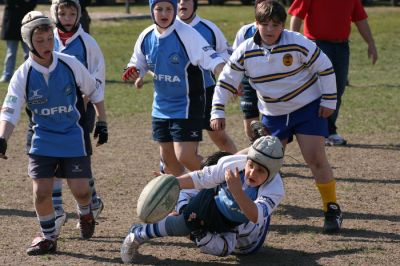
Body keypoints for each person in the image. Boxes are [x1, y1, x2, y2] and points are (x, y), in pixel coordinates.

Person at [210, 0, 343, 233]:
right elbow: (226, 81)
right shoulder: (246, 50)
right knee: (261, 160)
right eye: (264, 24)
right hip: (273, 114)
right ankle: (218, 173)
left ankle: (331, 209)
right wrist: (217, 110)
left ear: (282, 25)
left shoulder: (298, 42)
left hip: (307, 108)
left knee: (315, 158)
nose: (270, 29)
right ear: (256, 24)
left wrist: (329, 100)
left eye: (275, 24)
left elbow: (325, 66)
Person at [0, 11, 108, 255]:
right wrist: (2, 138)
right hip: (42, 139)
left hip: (72, 136)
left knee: (81, 191)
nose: (47, 45)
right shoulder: (23, 74)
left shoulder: (69, 64)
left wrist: (102, 121)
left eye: (50, 39)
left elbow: (94, 90)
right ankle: (48, 237)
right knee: (41, 192)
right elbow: (10, 109)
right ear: (28, 43)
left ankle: (86, 213)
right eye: (40, 41)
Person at [120, 135, 285, 263]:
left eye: (260, 171)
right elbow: (202, 177)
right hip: (214, 204)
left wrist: (237, 192)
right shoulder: (232, 164)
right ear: (246, 161)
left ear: (271, 174)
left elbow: (255, 215)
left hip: (239, 228)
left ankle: (194, 230)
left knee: (225, 248)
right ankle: (138, 234)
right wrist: (172, 183)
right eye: (251, 165)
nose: (252, 173)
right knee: (183, 222)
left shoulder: (274, 189)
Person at [122, 0, 225, 176]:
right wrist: (133, 71)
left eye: (169, 9)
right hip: (161, 106)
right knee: (168, 159)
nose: (164, 13)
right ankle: (184, 194)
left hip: (188, 103)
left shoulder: (187, 34)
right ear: (151, 11)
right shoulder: (146, 36)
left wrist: (229, 82)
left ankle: (225, 178)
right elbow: (138, 62)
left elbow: (214, 61)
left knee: (185, 155)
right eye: (159, 9)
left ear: (175, 10)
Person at [49, 0, 106, 235]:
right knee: (50, 159)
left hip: (81, 112)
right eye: (62, 13)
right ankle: (57, 209)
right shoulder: (45, 38)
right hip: (51, 113)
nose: (67, 18)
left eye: (72, 13)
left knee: (78, 161)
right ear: (55, 14)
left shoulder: (87, 43)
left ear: (79, 15)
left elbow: (98, 78)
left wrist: (86, 101)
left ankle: (91, 202)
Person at [288, 0, 378, 146]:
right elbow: (297, 16)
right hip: (317, 45)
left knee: (338, 89)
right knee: (318, 90)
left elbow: (360, 19)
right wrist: (292, 45)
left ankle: (328, 130)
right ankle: (320, 131)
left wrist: (371, 43)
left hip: (342, 46)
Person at [177, 0, 237, 154]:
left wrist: (230, 82)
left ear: (195, 4)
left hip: (206, 91)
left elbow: (227, 52)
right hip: (177, 94)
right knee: (183, 140)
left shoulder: (208, 28)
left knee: (219, 136)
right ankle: (170, 170)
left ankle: (240, 168)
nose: (181, 2)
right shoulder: (166, 30)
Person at [0, 0, 37, 83]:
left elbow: (32, 4)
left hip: (27, 24)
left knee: (29, 53)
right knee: (11, 53)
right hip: (12, 24)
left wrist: (20, 4)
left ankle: (30, 75)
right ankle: (7, 75)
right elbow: (10, 2)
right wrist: (24, 3)